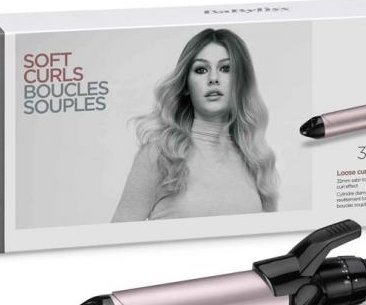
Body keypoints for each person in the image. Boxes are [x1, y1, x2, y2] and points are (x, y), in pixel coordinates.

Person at [112, 28, 278, 221]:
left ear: (241, 82)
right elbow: (117, 236)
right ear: (185, 86)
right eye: (201, 70)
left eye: (226, 68)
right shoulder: (160, 155)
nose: (213, 78)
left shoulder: (256, 160)